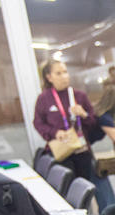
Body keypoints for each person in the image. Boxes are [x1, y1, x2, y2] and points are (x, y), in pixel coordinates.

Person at [32, 60, 98, 188]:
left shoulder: (79, 96)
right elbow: (38, 123)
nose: (64, 76)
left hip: (81, 150)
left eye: (65, 72)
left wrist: (84, 115)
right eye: (58, 73)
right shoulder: (44, 98)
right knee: (67, 188)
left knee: (84, 189)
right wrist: (54, 133)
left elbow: (93, 122)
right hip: (61, 151)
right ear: (49, 77)